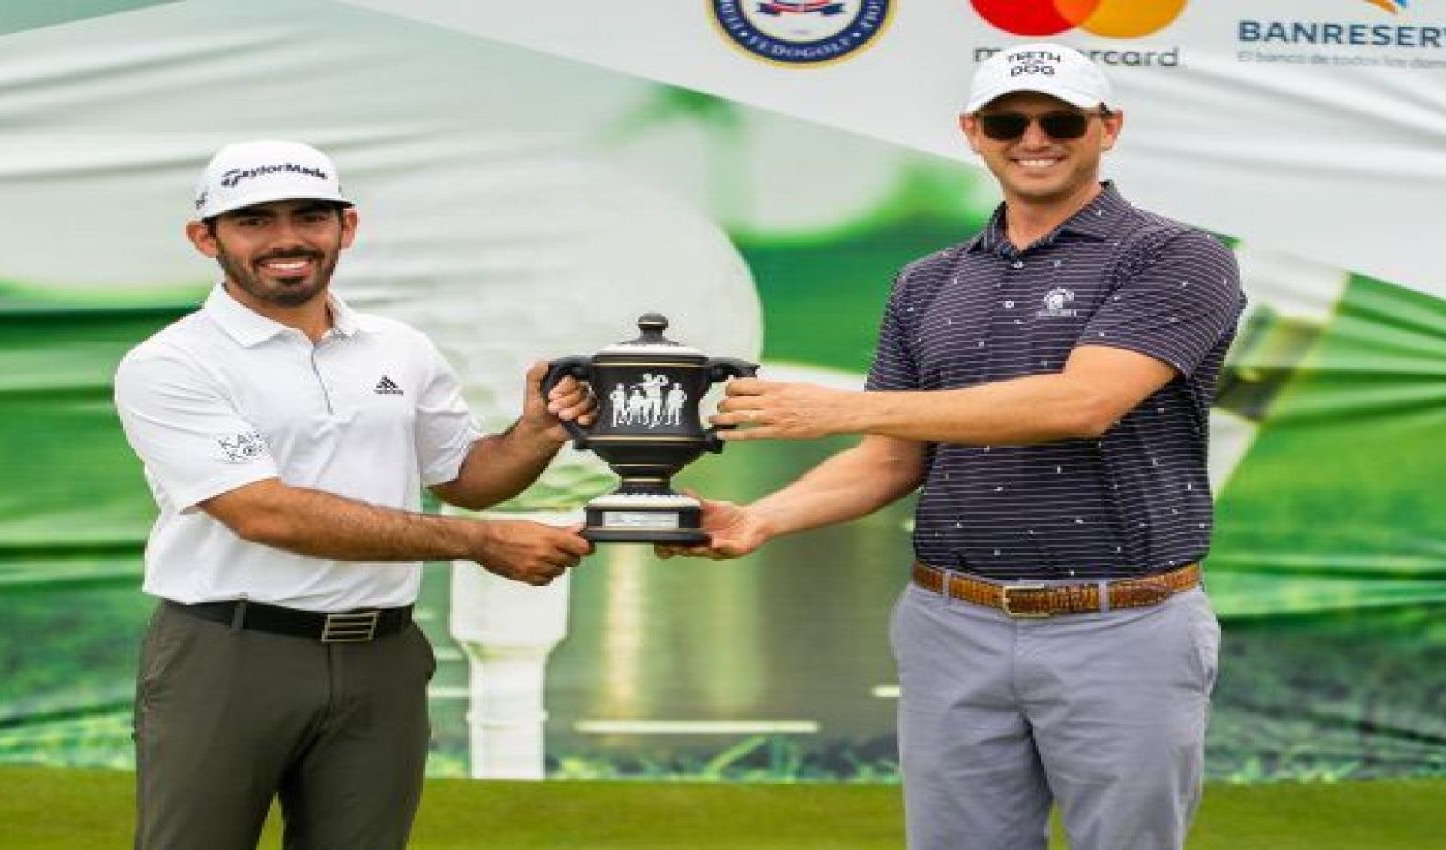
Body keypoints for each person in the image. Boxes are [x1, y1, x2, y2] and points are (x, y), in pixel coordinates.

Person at [660, 44, 1245, 850]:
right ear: (973, 132)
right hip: (951, 622)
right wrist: (761, 518)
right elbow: (892, 456)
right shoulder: (927, 281)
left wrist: (841, 407)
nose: (1033, 138)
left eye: (1060, 120)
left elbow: (1084, 403)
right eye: (1007, 121)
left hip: (1123, 623)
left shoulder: (1175, 255)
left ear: (1107, 128)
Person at [113, 139, 594, 850]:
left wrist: (535, 434)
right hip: (229, 651)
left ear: (348, 226)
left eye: (310, 216)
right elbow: (262, 511)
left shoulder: (401, 347)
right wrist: (481, 544)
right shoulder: (170, 362)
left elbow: (466, 478)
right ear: (205, 238)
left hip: (382, 656)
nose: (287, 239)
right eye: (254, 221)